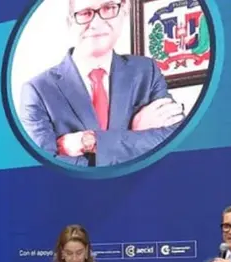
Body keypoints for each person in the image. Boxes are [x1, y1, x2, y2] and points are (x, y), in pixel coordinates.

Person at [19, 0, 185, 167]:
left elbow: (176, 139)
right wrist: (135, 138)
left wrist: (91, 142)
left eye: (108, 8)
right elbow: (48, 168)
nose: (97, 23)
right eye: (85, 13)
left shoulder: (147, 71)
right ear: (70, 22)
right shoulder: (37, 91)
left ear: (123, 13)